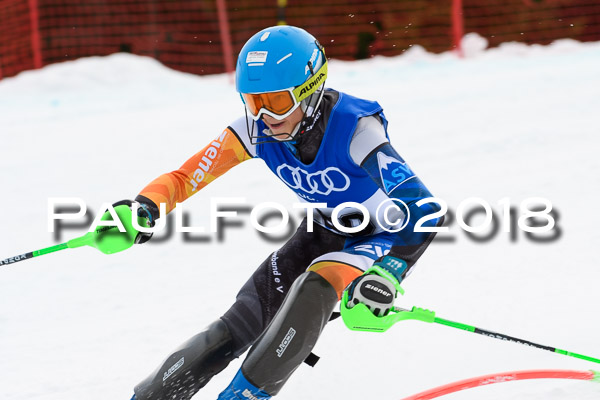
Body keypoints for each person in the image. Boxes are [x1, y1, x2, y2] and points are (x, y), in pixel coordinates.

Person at [118, 25, 442, 400]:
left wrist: (390, 271)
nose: (265, 116)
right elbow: (184, 177)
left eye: (275, 101)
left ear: (310, 90)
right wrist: (143, 205)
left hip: (383, 238)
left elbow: (424, 209)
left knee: (314, 286)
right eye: (253, 102)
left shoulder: (356, 129)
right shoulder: (255, 130)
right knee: (238, 323)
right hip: (322, 230)